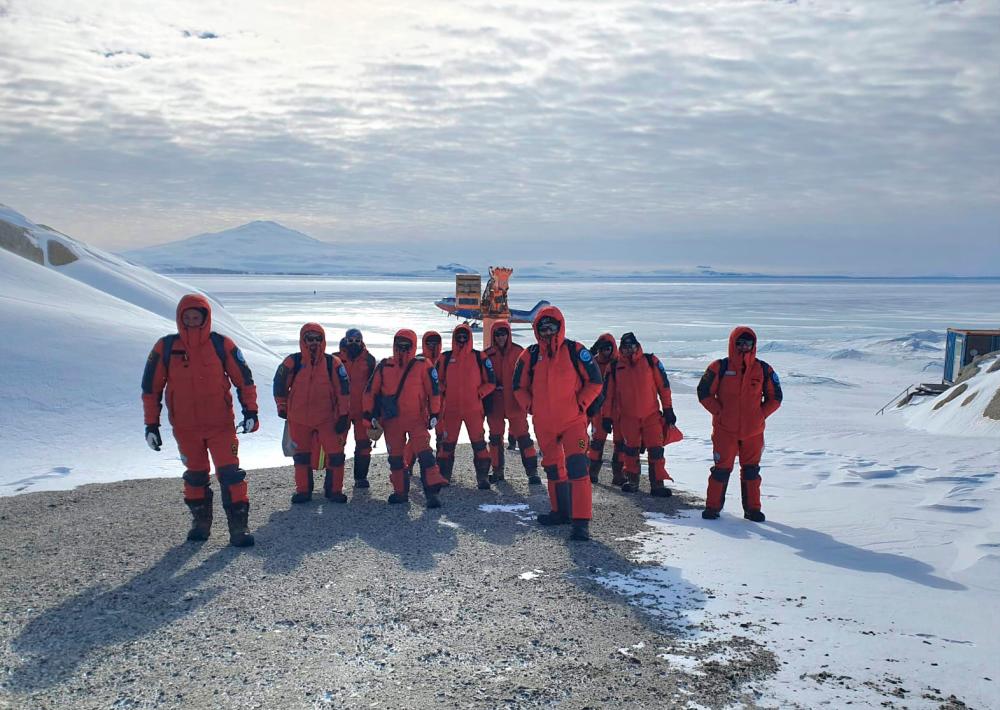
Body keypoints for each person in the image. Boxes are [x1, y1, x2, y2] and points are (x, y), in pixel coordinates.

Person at [142, 294, 258, 547]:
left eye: (197, 317)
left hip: (221, 425)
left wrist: (251, 412)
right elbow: (151, 389)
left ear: (206, 318)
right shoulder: (166, 347)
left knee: (231, 475)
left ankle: (239, 527)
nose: (193, 321)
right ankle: (200, 523)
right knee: (195, 477)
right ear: (180, 318)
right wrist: (151, 425)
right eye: (188, 317)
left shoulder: (221, 344)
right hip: (185, 428)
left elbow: (244, 380)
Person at [512, 307, 603, 541]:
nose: (547, 332)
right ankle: (560, 512)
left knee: (578, 468)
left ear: (560, 327)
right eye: (543, 328)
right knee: (553, 469)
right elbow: (518, 387)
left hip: (573, 422)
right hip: (545, 425)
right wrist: (531, 406)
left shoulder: (575, 351)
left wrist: (580, 405)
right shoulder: (530, 355)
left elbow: (595, 381)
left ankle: (581, 522)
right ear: (537, 330)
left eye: (552, 327)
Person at [697, 326, 783, 521]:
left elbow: (776, 397)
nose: (744, 347)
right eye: (740, 343)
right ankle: (712, 508)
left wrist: (760, 415)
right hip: (725, 430)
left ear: (754, 345)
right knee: (721, 470)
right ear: (732, 344)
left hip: (753, 432)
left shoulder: (763, 369)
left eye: (748, 343)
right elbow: (704, 392)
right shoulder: (719, 367)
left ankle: (753, 510)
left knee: (751, 471)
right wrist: (720, 412)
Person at [363, 329, 448, 506]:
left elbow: (434, 392)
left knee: (426, 456)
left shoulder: (422, 365)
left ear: (413, 346)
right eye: (399, 345)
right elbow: (370, 392)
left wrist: (434, 413)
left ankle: (432, 494)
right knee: (395, 458)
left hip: (417, 419)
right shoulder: (384, 366)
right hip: (391, 421)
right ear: (394, 345)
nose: (402, 348)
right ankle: (400, 492)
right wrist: (368, 415)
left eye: (406, 345)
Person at [274, 323, 351, 504]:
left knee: (336, 455)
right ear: (303, 340)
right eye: (310, 338)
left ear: (323, 340)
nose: (314, 342)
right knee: (301, 456)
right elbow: (279, 384)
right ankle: (303, 491)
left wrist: (343, 415)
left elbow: (343, 390)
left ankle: (334, 491)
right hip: (299, 419)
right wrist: (281, 406)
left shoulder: (333, 363)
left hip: (327, 419)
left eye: (318, 339)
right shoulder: (293, 361)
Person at [605, 332, 675, 496]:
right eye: (625, 347)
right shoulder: (614, 367)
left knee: (656, 451)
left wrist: (668, 409)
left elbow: (663, 387)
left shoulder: (651, 361)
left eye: (632, 346)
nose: (629, 349)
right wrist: (606, 417)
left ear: (637, 346)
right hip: (628, 418)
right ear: (621, 348)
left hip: (651, 416)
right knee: (630, 451)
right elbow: (608, 396)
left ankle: (657, 485)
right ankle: (632, 481)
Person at [437, 323, 496, 489]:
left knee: (479, 445)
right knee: (447, 445)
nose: (462, 340)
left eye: (465, 337)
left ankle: (482, 478)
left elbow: (491, 382)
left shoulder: (479, 357)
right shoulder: (445, 358)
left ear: (469, 338)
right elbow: (436, 381)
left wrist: (479, 394)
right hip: (451, 410)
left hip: (473, 410)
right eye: (459, 337)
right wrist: (444, 389)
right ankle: (444, 477)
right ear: (454, 338)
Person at [483, 320, 541, 484]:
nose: (501, 337)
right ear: (493, 336)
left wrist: (530, 398)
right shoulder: (487, 354)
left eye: (503, 334)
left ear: (508, 334)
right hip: (495, 402)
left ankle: (532, 472)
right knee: (495, 438)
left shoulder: (519, 352)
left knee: (524, 438)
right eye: (497, 334)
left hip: (516, 401)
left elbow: (530, 376)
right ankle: (497, 471)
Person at [339, 328, 378, 488]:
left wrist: (374, 410)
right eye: (351, 340)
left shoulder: (369, 360)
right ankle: (334, 482)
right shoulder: (335, 359)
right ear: (345, 340)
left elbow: (375, 386)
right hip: (341, 410)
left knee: (363, 445)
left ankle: (360, 478)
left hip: (362, 410)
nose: (354, 344)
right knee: (336, 445)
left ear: (361, 342)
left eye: (357, 341)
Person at [586, 334, 623, 484]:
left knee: (620, 443)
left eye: (608, 348)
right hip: (599, 409)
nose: (605, 351)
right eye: (602, 349)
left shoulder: (620, 364)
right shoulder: (593, 363)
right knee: (597, 442)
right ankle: (592, 473)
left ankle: (619, 475)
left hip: (619, 409)